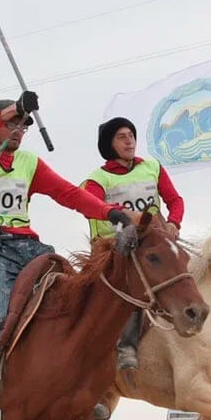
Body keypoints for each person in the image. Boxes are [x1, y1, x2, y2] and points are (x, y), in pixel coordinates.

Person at [0, 92, 133, 420]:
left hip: (30, 246)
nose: (20, 129)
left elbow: (69, 194)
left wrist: (111, 212)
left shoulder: (29, 164)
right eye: (13, 124)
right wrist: (16, 108)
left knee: (81, 298)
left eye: (24, 125)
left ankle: (83, 386)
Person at [82, 117, 185, 371]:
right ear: (110, 144)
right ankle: (126, 346)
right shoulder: (97, 178)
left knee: (184, 267)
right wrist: (126, 217)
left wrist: (174, 223)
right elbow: (89, 207)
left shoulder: (152, 167)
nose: (129, 141)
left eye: (131, 135)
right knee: (133, 280)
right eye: (122, 137)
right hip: (112, 245)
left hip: (152, 242)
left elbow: (175, 200)